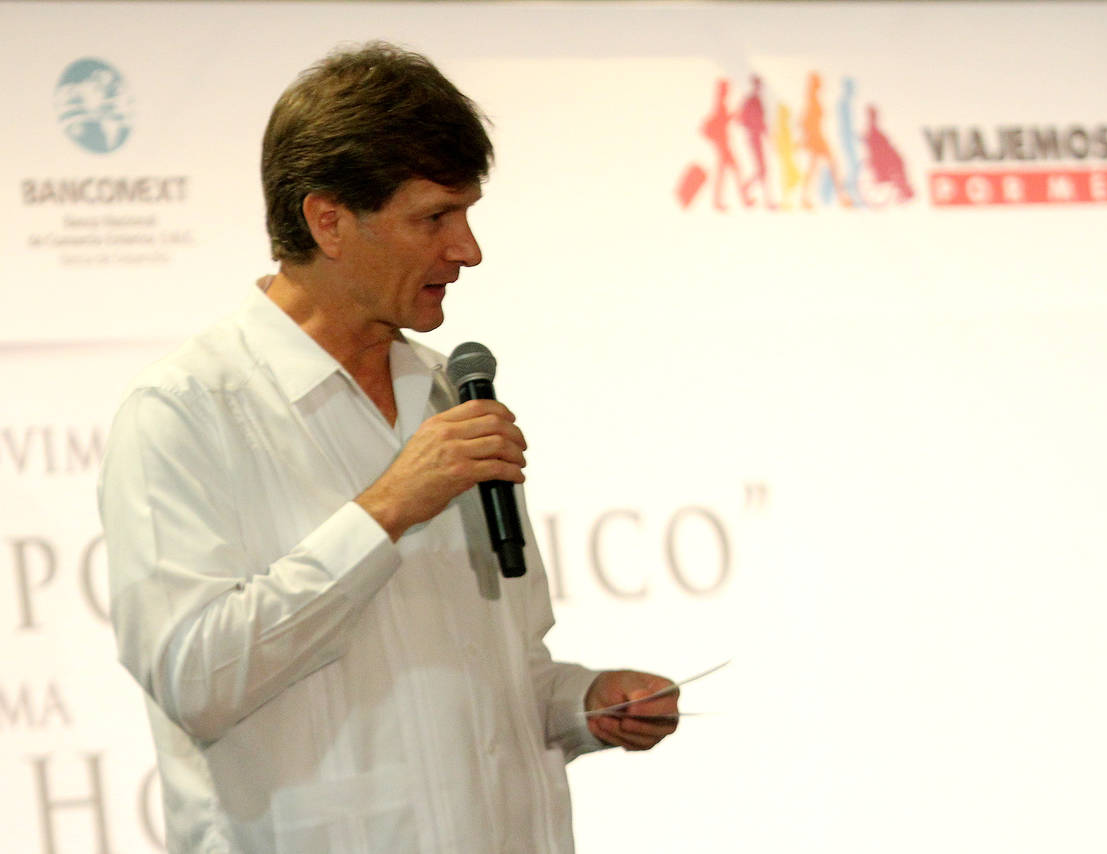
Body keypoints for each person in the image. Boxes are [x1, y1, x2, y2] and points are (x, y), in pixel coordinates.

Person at [98, 42, 678, 854]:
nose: (468, 249)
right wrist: (385, 510)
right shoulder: (185, 413)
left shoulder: (450, 394)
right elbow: (195, 679)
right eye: (435, 217)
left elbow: (489, 677)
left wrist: (581, 704)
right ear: (328, 220)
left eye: (467, 213)